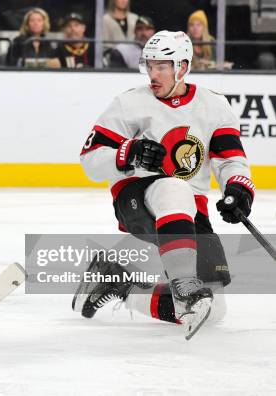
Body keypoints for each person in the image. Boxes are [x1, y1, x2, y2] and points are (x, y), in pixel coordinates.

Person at [74, 31, 254, 339]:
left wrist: (238, 189)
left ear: (182, 67)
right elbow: (90, 160)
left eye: (162, 66)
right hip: (136, 200)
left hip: (190, 213)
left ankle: (120, 285)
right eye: (149, 65)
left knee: (211, 311)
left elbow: (230, 160)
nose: (153, 74)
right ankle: (184, 284)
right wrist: (127, 152)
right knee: (175, 188)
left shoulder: (213, 106)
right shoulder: (129, 103)